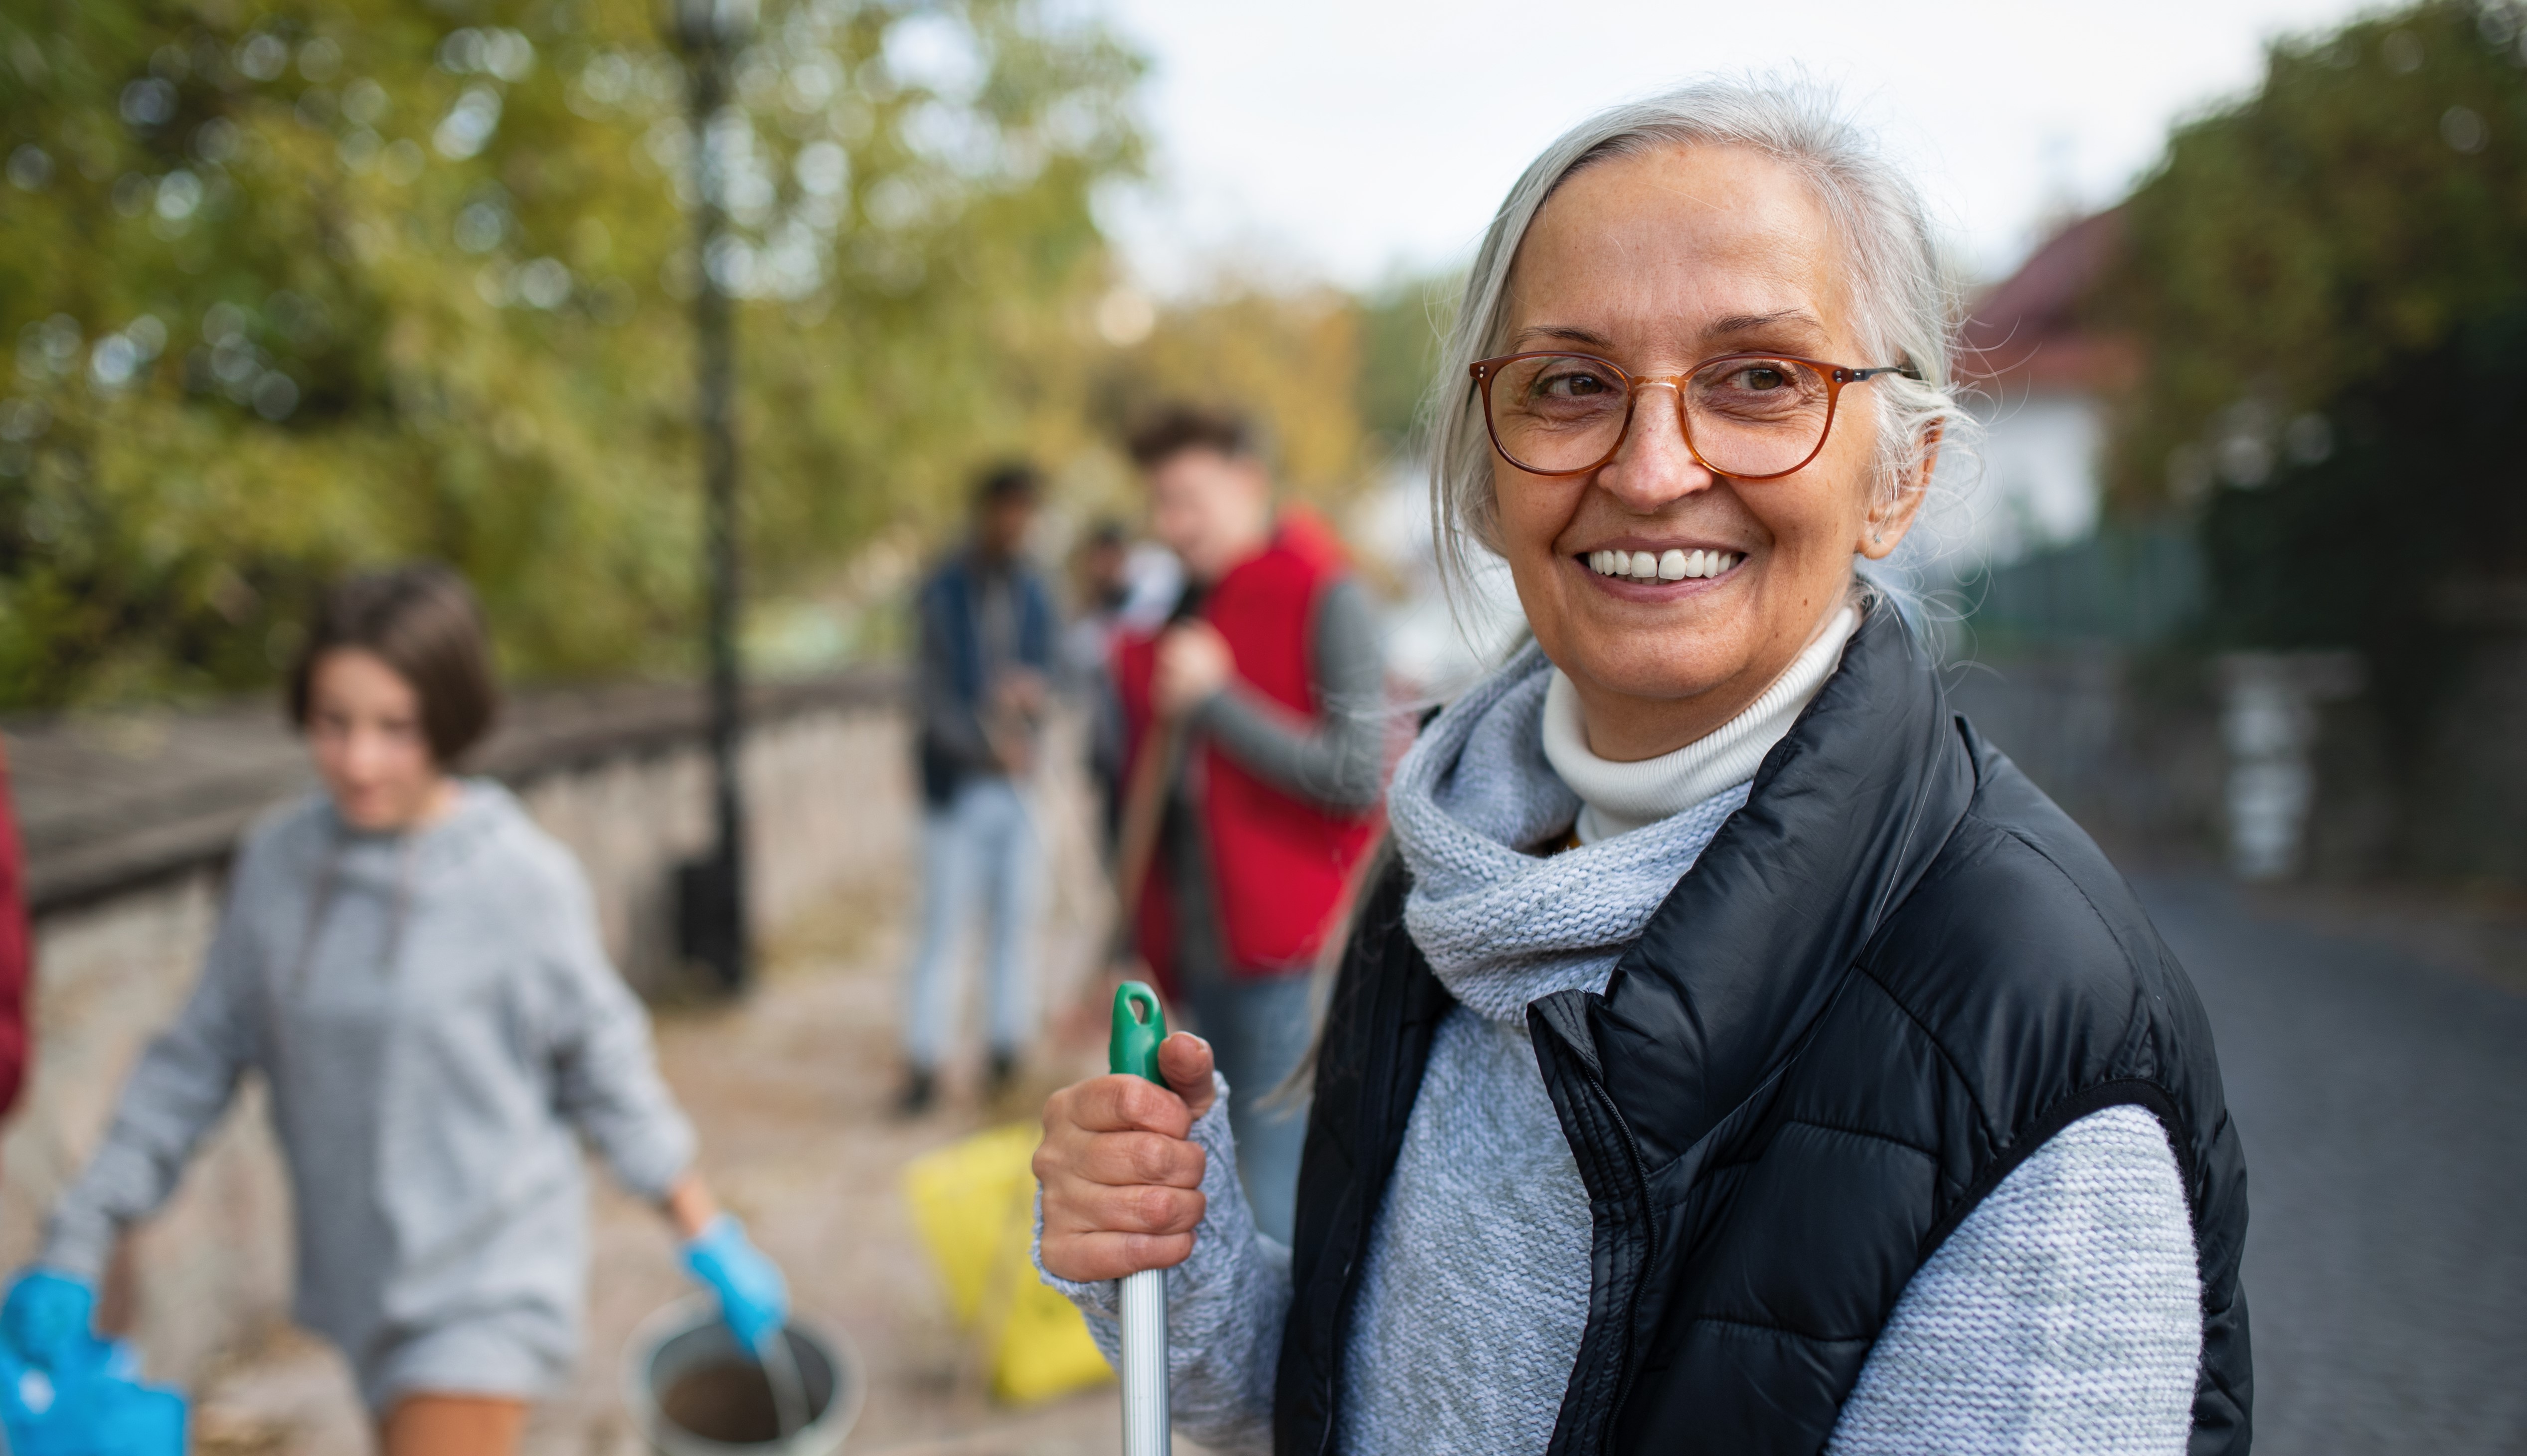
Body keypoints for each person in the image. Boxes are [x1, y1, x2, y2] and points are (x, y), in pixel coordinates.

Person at [1033, 81, 2248, 1456]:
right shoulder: (1445, 883)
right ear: (1491, 477)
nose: (1653, 467)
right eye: (1569, 385)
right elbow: (1352, 1396)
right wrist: (1167, 1269)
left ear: (1894, 476)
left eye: (1756, 379)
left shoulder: (2029, 1031)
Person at [5, 565, 787, 1456]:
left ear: (449, 720)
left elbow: (606, 1070)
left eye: (395, 728)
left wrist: (707, 1231)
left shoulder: (519, 883)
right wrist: (79, 1237)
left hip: (488, 1285)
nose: (358, 760)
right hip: (359, 1283)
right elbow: (191, 1063)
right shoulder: (277, 865)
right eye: (334, 724)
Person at [1108, 407, 1385, 1245]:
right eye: (1159, 503)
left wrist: (1216, 700)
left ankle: (1280, 1375)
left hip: (1289, 952)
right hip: (1199, 946)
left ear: (1248, 482)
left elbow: (1355, 774)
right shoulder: (1188, 606)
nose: (1172, 525)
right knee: (1211, 1166)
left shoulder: (1327, 589)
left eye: (1187, 499)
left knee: (1272, 1189)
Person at [901, 463, 1057, 1114]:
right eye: (1007, 511)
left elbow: (1058, 674)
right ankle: (925, 1057)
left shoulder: (1035, 594)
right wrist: (981, 743)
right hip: (958, 788)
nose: (1014, 525)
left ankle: (1004, 1047)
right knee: (944, 925)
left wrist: (1033, 699)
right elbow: (929, 699)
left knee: (1015, 921)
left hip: (1016, 788)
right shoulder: (942, 592)